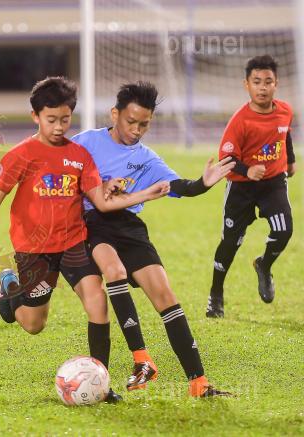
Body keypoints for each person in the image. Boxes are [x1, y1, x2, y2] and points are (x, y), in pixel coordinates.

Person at [0, 77, 169, 402]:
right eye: (51, 120)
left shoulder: (79, 155)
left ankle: (101, 383)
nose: (59, 127)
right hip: (34, 250)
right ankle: (10, 287)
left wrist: (144, 194)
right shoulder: (21, 154)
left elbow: (101, 202)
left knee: (97, 301)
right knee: (34, 324)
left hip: (73, 243)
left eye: (65, 119)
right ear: (35, 116)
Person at [72, 81, 233, 397]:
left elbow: (179, 186)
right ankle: (142, 358)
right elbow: (62, 170)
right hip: (94, 224)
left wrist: (203, 183)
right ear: (115, 114)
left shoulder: (146, 159)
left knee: (165, 296)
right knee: (114, 271)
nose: (136, 130)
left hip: (130, 227)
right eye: (130, 121)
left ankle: (199, 383)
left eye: (143, 124)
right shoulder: (86, 142)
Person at [207, 55, 296, 318]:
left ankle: (264, 265)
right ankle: (216, 294)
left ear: (276, 84)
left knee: (284, 231)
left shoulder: (285, 110)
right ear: (246, 84)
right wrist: (247, 170)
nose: (262, 87)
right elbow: (226, 158)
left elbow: (285, 133)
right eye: (256, 82)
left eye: (268, 82)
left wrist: (290, 161)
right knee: (230, 243)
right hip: (241, 189)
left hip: (273, 184)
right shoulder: (240, 121)